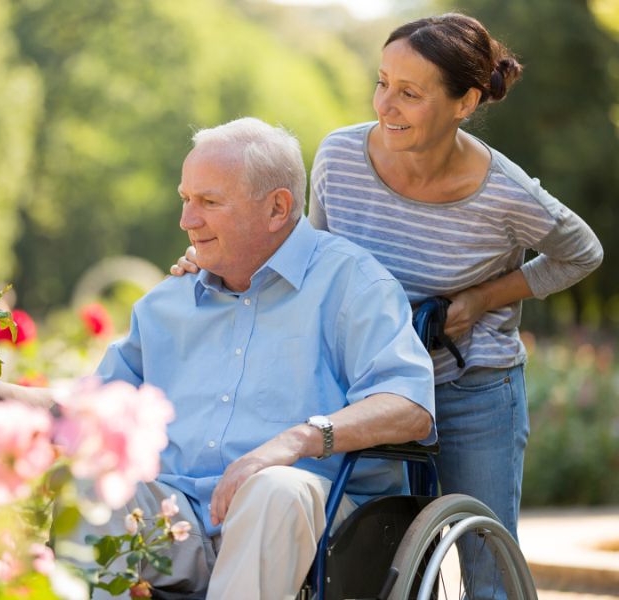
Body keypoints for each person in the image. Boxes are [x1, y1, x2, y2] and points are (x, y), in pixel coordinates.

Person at [170, 12, 603, 600]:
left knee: (485, 568)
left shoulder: (505, 192)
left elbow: (582, 253)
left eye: (409, 93)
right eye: (381, 83)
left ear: (465, 101)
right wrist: (214, 255)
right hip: (361, 379)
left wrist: (482, 299)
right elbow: (305, 253)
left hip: (467, 380)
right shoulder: (341, 157)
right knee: (355, 549)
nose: (385, 105)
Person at [0, 117, 435, 599]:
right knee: (88, 480)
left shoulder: (352, 284)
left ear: (277, 208)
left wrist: (295, 441)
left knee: (275, 488)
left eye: (209, 202)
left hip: (317, 529)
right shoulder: (166, 304)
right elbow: (95, 409)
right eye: (186, 200)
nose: (187, 220)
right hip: (180, 521)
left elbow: (409, 405)